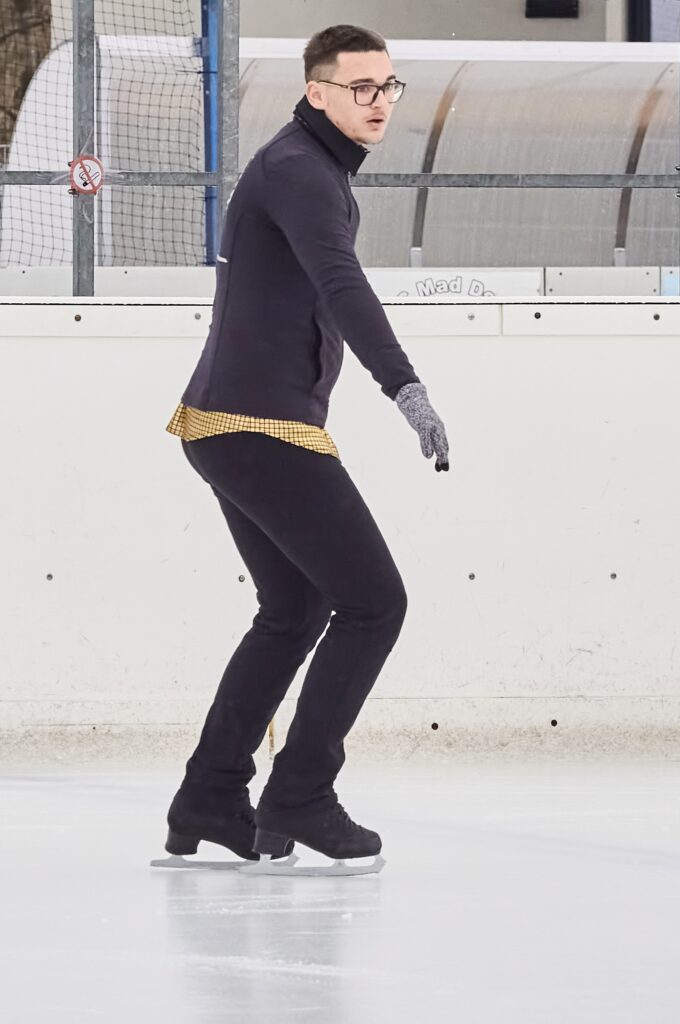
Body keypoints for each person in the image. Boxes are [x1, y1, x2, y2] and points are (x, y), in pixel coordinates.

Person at [163, 24, 449, 865]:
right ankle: (300, 794)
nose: (379, 101)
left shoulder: (310, 168)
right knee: (375, 603)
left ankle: (209, 796)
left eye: (387, 86)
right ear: (317, 92)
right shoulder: (299, 171)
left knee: (294, 610)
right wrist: (404, 386)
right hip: (260, 427)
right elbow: (340, 283)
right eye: (361, 87)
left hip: (229, 424)